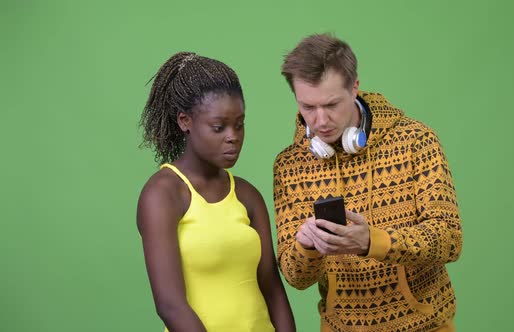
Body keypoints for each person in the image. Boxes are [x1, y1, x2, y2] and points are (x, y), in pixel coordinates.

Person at [273, 34, 462, 332]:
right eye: (308, 107)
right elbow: (296, 277)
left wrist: (371, 242)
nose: (320, 120)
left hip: (425, 325)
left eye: (332, 104)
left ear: (355, 87)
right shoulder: (290, 166)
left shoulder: (416, 141)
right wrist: (307, 245)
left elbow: (449, 239)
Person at [137, 52, 296, 332]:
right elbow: (170, 305)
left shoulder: (248, 196)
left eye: (240, 124)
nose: (233, 136)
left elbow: (273, 289)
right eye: (218, 127)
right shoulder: (162, 194)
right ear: (185, 121)